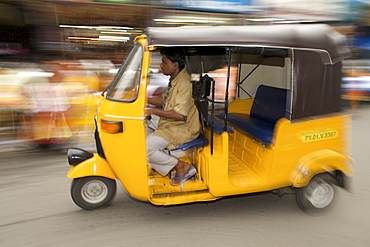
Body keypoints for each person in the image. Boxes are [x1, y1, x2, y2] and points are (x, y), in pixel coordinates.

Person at [146, 47, 200, 186]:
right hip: (170, 122)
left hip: (182, 128)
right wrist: (142, 100)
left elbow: (179, 115)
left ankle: (181, 166)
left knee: (143, 149)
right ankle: (161, 157)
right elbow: (163, 102)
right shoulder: (174, 79)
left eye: (164, 62)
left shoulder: (185, 83)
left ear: (175, 65)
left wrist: (152, 111)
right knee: (139, 125)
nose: (161, 65)